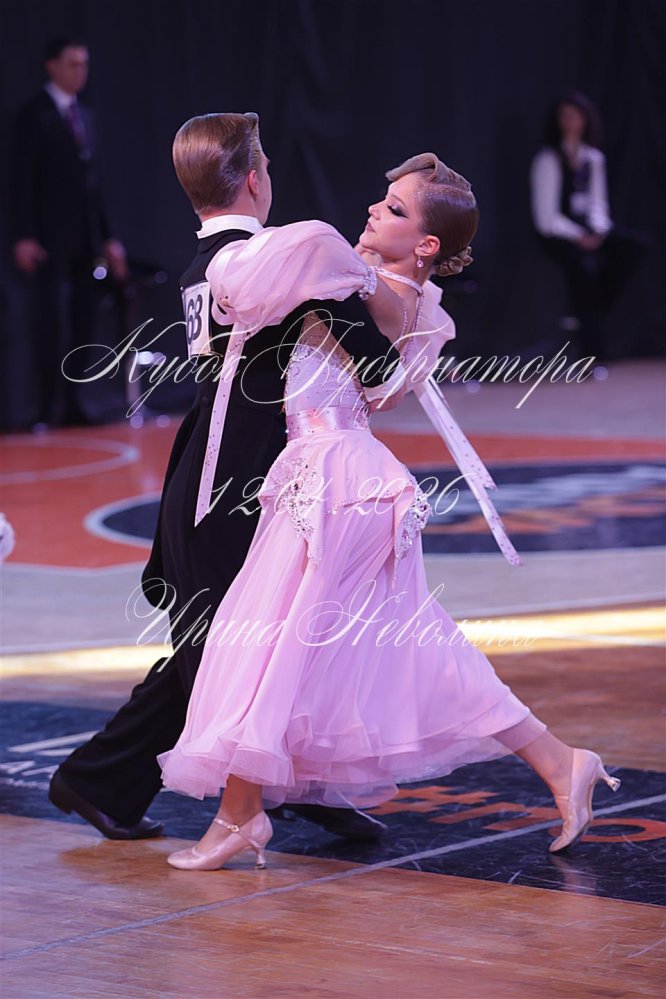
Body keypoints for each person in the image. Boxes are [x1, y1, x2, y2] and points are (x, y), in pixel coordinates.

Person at [158, 153, 621, 872]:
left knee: (276, 642)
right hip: (335, 476)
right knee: (393, 646)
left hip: (335, 480)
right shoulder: (381, 289)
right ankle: (561, 762)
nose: (375, 210)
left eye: (396, 209)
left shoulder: (364, 286)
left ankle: (239, 816)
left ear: (426, 244)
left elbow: (246, 281)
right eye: (383, 199)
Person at [49, 113, 401, 843]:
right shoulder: (282, 258)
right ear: (252, 179)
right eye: (265, 162)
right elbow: (377, 364)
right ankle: (103, 780)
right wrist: (396, 287)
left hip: (208, 476)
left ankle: (296, 785)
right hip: (242, 481)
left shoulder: (201, 266)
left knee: (240, 648)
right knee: (230, 652)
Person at [10, 37, 128, 427]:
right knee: (49, 322)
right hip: (47, 239)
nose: (80, 71)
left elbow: (95, 187)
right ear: (52, 66)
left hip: (85, 239)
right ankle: (46, 406)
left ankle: (77, 401)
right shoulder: (34, 116)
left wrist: (108, 237)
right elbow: (21, 181)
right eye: (73, 64)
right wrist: (24, 235)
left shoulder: (86, 116)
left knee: (83, 321)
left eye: (84, 64)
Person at [530, 90, 643, 360]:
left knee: (631, 247)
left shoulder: (592, 158)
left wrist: (599, 231)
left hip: (587, 228)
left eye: (575, 116)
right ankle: (590, 345)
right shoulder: (549, 160)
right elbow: (546, 217)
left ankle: (591, 314)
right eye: (565, 116)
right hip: (558, 233)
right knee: (584, 268)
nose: (570, 122)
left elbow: (597, 203)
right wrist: (578, 235)